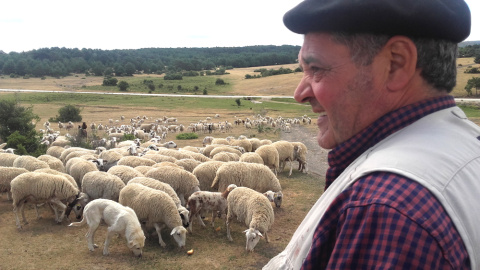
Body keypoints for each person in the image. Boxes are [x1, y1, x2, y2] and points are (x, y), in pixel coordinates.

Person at [264, 0, 480, 269]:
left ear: (396, 64)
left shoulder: (386, 208)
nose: (300, 94)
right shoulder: (465, 146)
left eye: (316, 69)